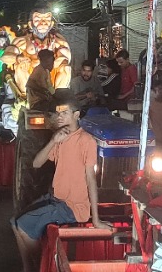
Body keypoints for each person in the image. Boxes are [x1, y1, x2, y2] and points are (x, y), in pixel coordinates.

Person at [11, 97, 109, 272]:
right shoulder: (61, 138)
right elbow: (36, 163)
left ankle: (38, 264)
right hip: (56, 199)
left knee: (23, 225)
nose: (59, 116)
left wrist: (96, 219)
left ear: (76, 114)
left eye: (64, 113)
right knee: (14, 221)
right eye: (58, 112)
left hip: (72, 207)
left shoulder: (86, 141)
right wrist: (53, 141)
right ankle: (29, 266)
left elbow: (91, 180)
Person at [12, 4, 73, 91]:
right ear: (30, 23)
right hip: (29, 80)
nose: (43, 23)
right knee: (21, 66)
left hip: (51, 81)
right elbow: (6, 57)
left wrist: (48, 63)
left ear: (51, 24)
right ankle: (26, 95)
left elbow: (66, 60)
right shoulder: (23, 41)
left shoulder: (59, 42)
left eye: (47, 19)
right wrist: (18, 58)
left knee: (66, 68)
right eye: (38, 19)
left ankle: (59, 95)